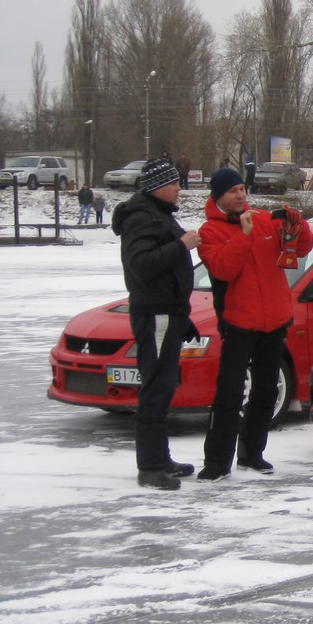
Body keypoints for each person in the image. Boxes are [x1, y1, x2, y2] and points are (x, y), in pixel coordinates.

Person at [195, 168, 313, 482]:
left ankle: (252, 453)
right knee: (230, 393)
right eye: (232, 191)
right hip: (239, 322)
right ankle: (217, 461)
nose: (240, 195)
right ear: (218, 196)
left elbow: (300, 249)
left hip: (275, 319)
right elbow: (223, 270)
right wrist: (244, 236)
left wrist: (298, 226)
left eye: (241, 189)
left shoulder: (264, 219)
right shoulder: (209, 231)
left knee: (265, 390)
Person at [111, 157, 202, 490]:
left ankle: (161, 458)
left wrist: (182, 315)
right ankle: (150, 467)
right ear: (157, 186)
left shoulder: (157, 214)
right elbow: (142, 266)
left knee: (163, 387)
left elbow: (163, 274)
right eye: (174, 183)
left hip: (167, 313)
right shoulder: (141, 218)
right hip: (155, 315)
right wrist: (182, 245)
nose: (179, 188)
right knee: (155, 388)